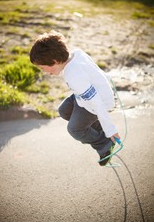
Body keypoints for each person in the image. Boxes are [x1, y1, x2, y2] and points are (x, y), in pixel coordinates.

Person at [30, 30, 120, 166]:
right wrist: (105, 79)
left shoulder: (74, 75)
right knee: (64, 110)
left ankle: (104, 143)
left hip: (97, 102)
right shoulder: (76, 53)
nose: (45, 72)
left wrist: (110, 129)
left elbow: (97, 103)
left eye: (43, 68)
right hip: (86, 95)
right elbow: (94, 68)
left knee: (75, 129)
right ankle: (97, 128)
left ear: (54, 61)